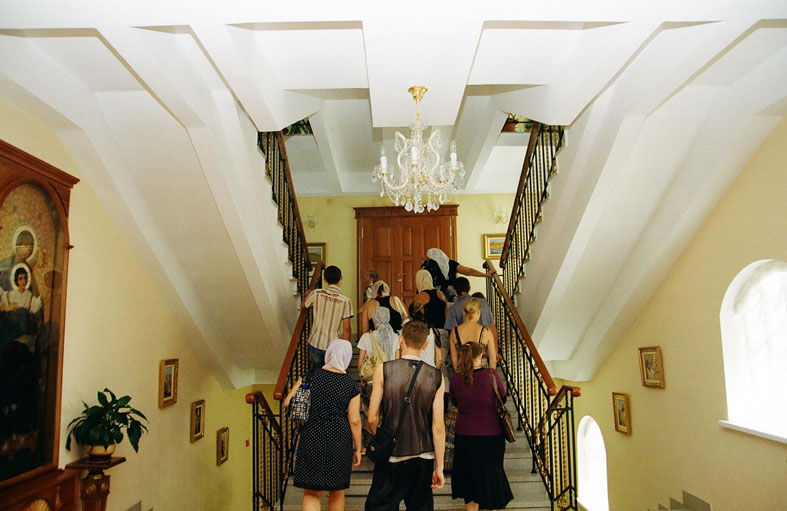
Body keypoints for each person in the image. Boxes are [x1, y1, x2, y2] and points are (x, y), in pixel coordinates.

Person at [365, 321, 445, 510]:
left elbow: (371, 417)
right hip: (423, 455)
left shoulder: (383, 370)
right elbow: (438, 427)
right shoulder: (436, 376)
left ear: (400, 339)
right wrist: (439, 467)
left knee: (380, 506)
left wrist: (383, 439)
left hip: (392, 454)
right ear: (425, 345)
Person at [283, 339, 362, 511]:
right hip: (339, 439)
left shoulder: (310, 376)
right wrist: (358, 448)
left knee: (311, 492)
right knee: (337, 491)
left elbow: (288, 402)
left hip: (312, 435)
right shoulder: (350, 385)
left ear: (328, 354)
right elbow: (355, 420)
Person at [449, 342, 513, 511]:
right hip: (491, 434)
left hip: (465, 435)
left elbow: (454, 401)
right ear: (481, 355)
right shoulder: (491, 375)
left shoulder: (456, 379)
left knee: (469, 482)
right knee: (491, 480)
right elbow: (503, 397)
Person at [357, 307, 400, 449]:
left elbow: (360, 363)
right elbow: (397, 361)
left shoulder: (366, 337)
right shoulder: (396, 337)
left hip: (371, 382)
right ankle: (388, 444)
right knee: (388, 415)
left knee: (369, 413)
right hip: (390, 383)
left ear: (374, 320)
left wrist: (362, 378)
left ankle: (370, 445)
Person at [301, 265, 353, 368]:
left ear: (324, 279)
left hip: (315, 342)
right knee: (331, 372)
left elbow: (303, 306)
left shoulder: (316, 293)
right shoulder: (345, 301)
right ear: (341, 278)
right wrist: (346, 347)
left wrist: (307, 295)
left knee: (318, 370)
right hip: (333, 346)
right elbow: (346, 328)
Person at [421, 248, 493, 302]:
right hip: (453, 294)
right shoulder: (451, 263)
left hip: (436, 295)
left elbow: (422, 281)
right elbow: (469, 271)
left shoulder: (428, 266)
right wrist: (486, 275)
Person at [443, 277, 498, 343]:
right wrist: (495, 347)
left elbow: (452, 334)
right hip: (486, 345)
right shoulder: (484, 303)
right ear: (469, 288)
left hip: (465, 347)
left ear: (454, 290)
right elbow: (493, 327)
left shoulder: (453, 309)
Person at [450, 298, 497, 371]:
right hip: (482, 371)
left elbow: (454, 358)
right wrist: (491, 373)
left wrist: (458, 372)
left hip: (462, 371)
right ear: (479, 312)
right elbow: (493, 359)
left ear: (463, 312)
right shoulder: (486, 331)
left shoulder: (454, 332)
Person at [407, 301, 442, 369]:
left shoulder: (407, 331)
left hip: (413, 370)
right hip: (430, 370)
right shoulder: (433, 331)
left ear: (411, 315)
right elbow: (439, 358)